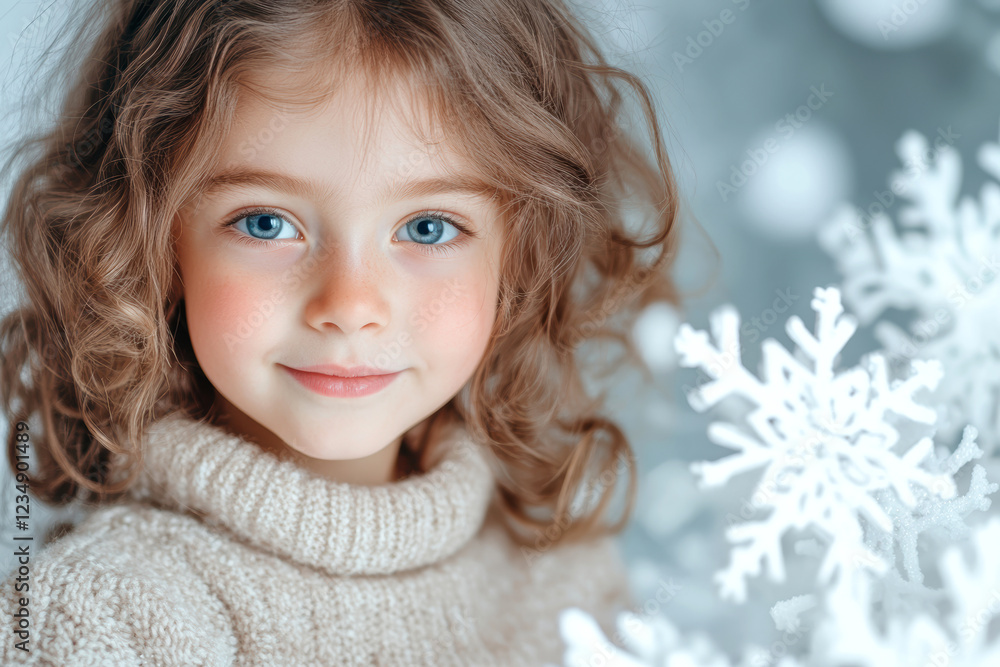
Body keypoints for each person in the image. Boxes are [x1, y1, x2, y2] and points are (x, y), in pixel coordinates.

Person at [0, 0, 683, 663]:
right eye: (266, 222)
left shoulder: (563, 574)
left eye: (427, 227)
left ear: (521, 261)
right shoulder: (98, 620)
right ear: (151, 241)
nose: (350, 305)